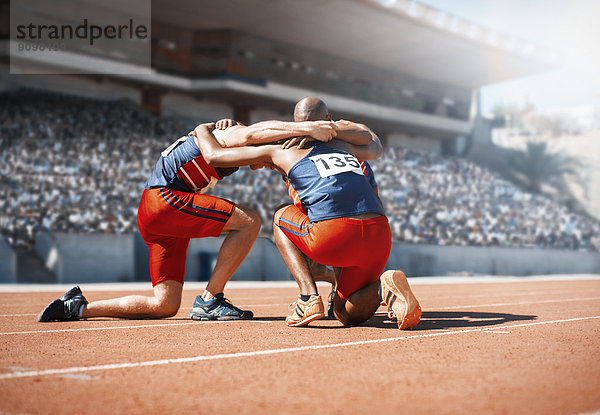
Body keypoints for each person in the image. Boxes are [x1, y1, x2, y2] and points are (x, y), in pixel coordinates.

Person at [37, 118, 337, 322]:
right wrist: (307, 128)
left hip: (155, 212)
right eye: (269, 158)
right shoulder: (231, 135)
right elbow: (247, 135)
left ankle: (78, 307)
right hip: (164, 200)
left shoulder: (217, 134)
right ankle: (210, 298)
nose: (264, 167)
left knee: (164, 304)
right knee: (250, 221)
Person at [192, 104, 421, 329]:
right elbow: (374, 144)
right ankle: (383, 286)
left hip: (334, 234)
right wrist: (328, 130)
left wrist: (203, 129)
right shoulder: (345, 145)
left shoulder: (282, 147)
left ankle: (308, 298)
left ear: (296, 123)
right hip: (379, 235)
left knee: (281, 215)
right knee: (346, 314)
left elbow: (215, 156)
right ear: (326, 119)